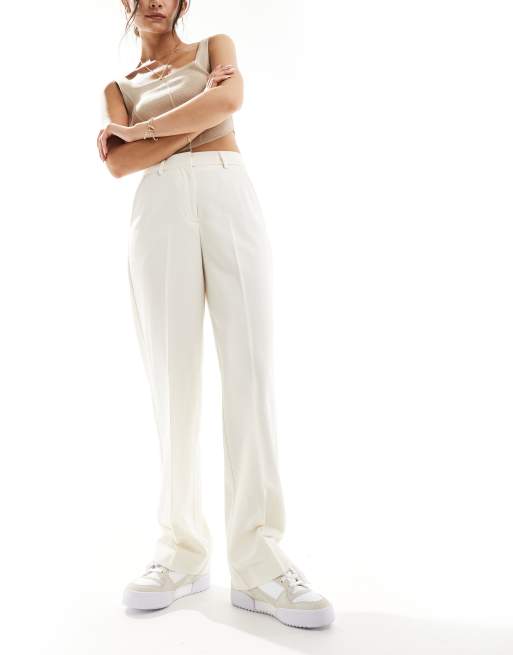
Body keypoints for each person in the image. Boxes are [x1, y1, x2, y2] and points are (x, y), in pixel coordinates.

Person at [98, 0, 335, 629]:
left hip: (229, 189)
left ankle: (259, 561)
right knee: (171, 380)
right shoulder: (117, 88)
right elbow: (118, 164)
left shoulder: (215, 48)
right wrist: (198, 112)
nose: (155, 0)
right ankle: (181, 551)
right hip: (159, 210)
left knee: (250, 371)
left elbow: (229, 103)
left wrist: (145, 132)